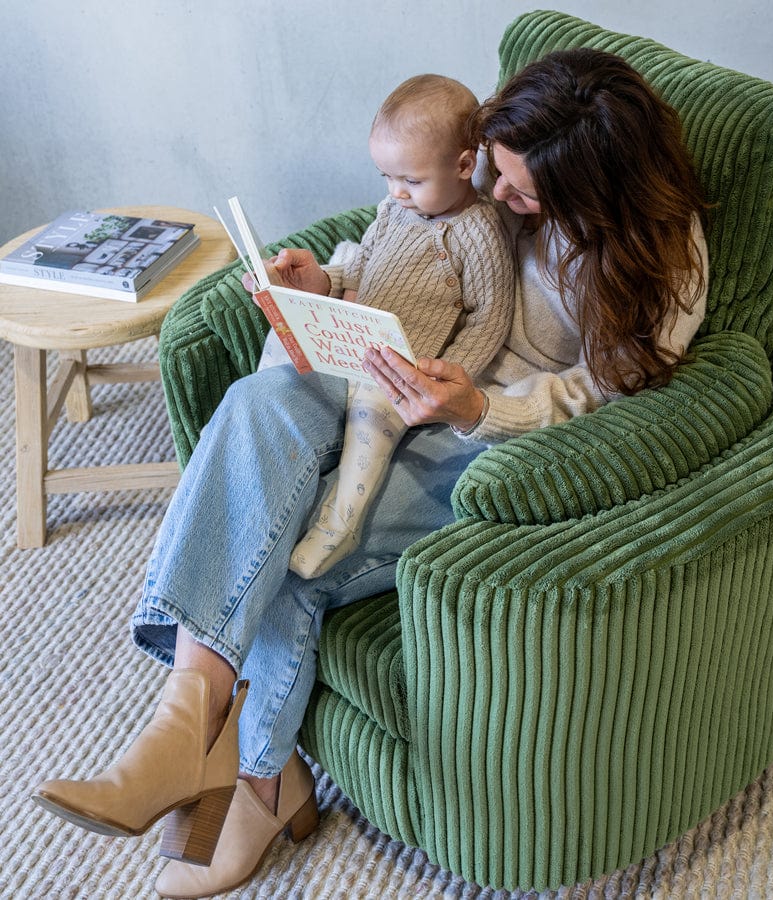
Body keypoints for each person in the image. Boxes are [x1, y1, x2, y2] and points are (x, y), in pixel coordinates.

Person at [31, 47, 708, 899]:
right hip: (406, 370)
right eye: (495, 175)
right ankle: (186, 716)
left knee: (300, 555)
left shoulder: (663, 270)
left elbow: (611, 395)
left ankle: (255, 784)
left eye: (525, 194)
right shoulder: (495, 179)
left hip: (487, 439)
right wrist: (331, 282)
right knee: (256, 403)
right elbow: (415, 232)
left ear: (597, 196)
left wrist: (481, 411)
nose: (500, 201)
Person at [279, 73, 514, 578]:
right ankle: (283, 479)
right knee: (279, 362)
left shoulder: (478, 233)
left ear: (464, 165)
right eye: (386, 177)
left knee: (371, 421)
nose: (396, 192)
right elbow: (362, 266)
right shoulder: (391, 210)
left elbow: (488, 319)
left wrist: (445, 375)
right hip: (349, 340)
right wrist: (320, 280)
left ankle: (340, 522)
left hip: (399, 369)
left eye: (411, 180)